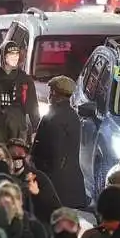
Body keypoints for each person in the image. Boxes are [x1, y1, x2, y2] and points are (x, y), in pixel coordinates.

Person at [31, 76, 87, 209]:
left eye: (51, 91)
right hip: (70, 182)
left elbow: (54, 151)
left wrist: (38, 165)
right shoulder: (72, 115)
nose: (49, 95)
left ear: (55, 94)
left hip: (56, 183)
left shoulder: (54, 118)